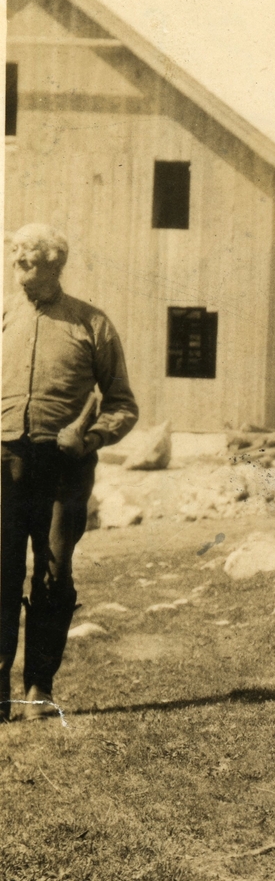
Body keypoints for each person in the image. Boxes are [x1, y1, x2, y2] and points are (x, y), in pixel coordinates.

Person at [1, 224, 139, 721]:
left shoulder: (90, 324)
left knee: (54, 575)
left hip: (64, 470)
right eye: (14, 258)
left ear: (55, 264)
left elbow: (122, 403)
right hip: (5, 465)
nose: (19, 268)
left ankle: (38, 688)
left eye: (29, 260)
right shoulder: (4, 317)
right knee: (0, 574)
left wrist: (93, 437)